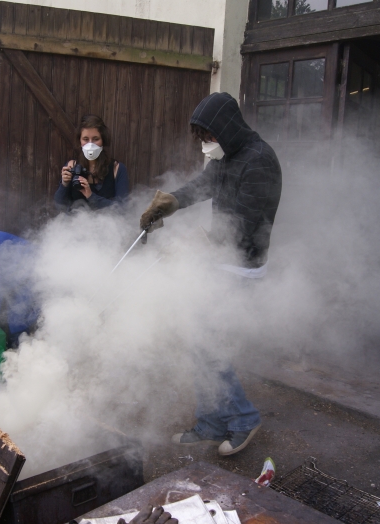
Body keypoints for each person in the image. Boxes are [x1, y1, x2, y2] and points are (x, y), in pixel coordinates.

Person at [139, 92, 282, 456]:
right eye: (201, 138)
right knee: (197, 338)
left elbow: (249, 227)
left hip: (243, 267)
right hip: (219, 261)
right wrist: (170, 201)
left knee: (209, 344)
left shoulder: (261, 162)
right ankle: (211, 421)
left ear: (227, 129)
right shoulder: (227, 155)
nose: (205, 145)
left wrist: (196, 242)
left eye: (209, 136)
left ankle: (243, 419)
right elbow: (202, 187)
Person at [54, 115, 129, 212]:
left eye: (95, 139)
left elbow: (121, 209)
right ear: (80, 141)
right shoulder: (71, 166)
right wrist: (64, 184)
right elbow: (60, 206)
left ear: (103, 140)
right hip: (75, 225)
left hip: (108, 226)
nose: (90, 144)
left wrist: (91, 196)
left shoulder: (117, 169)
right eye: (85, 139)